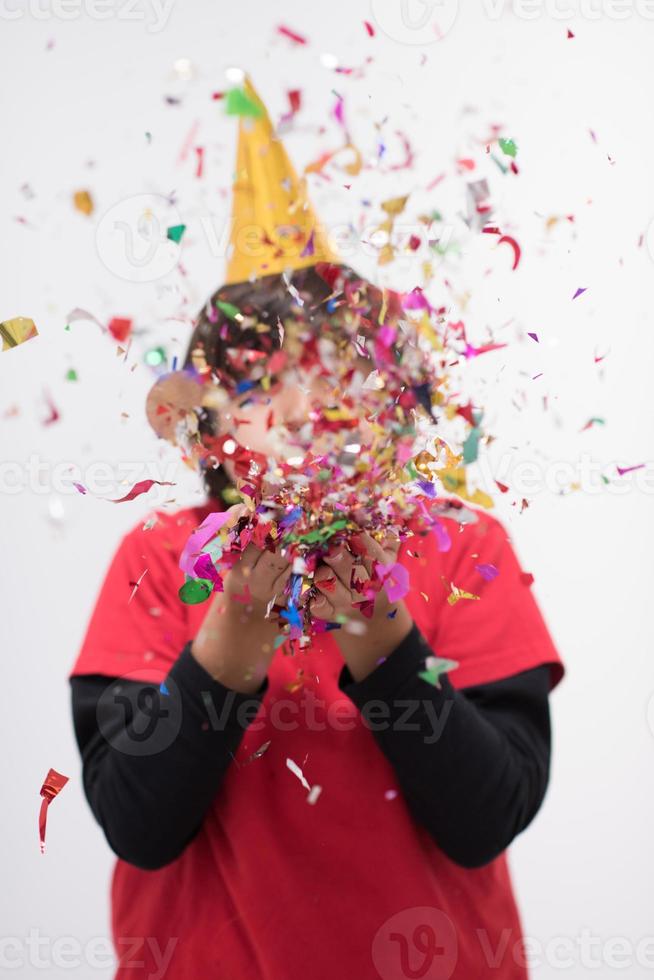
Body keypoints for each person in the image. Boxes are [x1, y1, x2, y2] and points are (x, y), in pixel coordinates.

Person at [69, 79, 564, 980]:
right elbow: (137, 827)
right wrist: (232, 635)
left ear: (394, 406)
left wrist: (381, 633)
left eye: (338, 374)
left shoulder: (466, 548)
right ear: (207, 428)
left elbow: (487, 817)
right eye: (262, 382)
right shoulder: (155, 557)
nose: (304, 411)